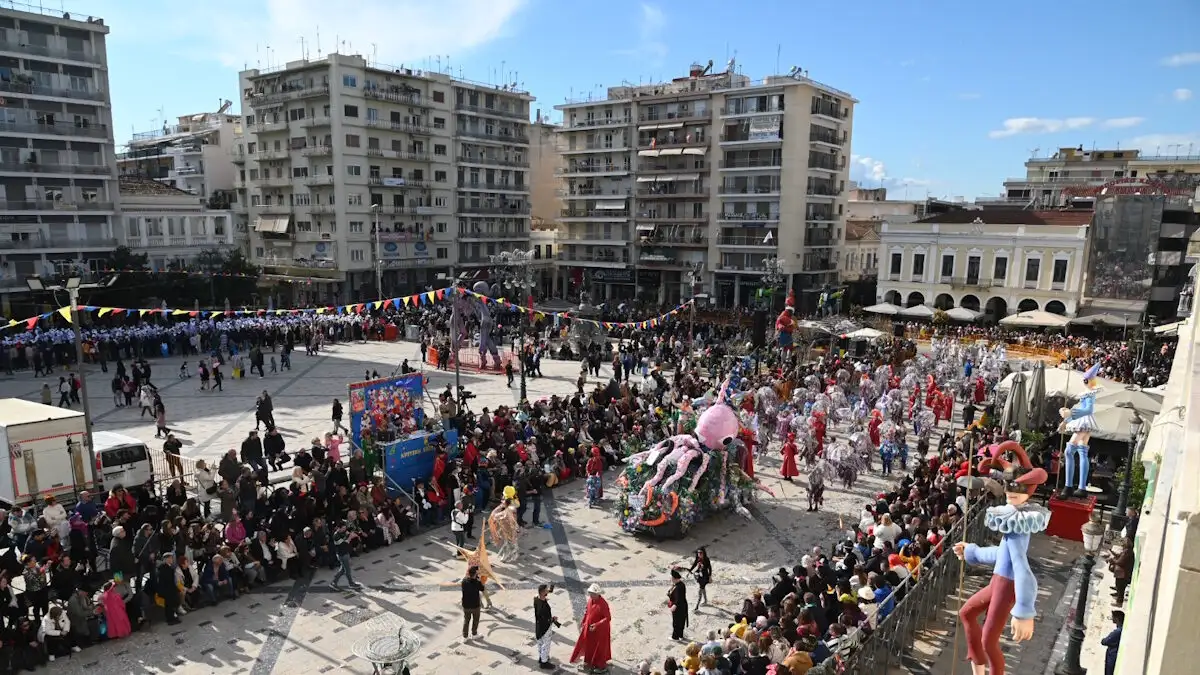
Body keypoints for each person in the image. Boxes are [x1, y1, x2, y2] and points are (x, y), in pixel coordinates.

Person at [570, 583, 612, 674]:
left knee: (599, 648)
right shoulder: (590, 600)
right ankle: (589, 661)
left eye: (593, 593)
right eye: (590, 593)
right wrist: (584, 621)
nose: (591, 595)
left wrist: (597, 625)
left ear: (598, 594)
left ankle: (601, 667)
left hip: (600, 631)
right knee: (589, 646)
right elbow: (587, 612)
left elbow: (608, 618)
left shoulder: (603, 604)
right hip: (589, 629)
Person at [533, 583, 560, 670]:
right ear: (543, 592)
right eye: (546, 590)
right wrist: (553, 619)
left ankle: (541, 658)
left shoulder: (536, 599)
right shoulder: (542, 607)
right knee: (546, 644)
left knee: (540, 643)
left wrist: (551, 589)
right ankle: (544, 663)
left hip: (538, 626)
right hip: (545, 627)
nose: (548, 591)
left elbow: (542, 593)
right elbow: (545, 619)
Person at [461, 564, 485, 640]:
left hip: (466, 606)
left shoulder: (464, 581)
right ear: (475, 574)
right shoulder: (477, 583)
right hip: (475, 606)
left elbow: (468, 577)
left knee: (466, 621)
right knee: (475, 620)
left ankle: (465, 636)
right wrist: (479, 579)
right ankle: (474, 634)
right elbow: (482, 588)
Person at [668, 568, 688, 641]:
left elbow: (679, 598)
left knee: (676, 622)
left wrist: (674, 605)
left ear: (675, 578)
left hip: (678, 607)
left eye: (672, 578)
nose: (671, 579)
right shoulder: (678, 584)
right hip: (681, 606)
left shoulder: (679, 587)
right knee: (681, 621)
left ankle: (675, 637)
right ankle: (680, 635)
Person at [1101, 610, 1123, 675]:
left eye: (1113, 617)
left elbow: (1104, 641)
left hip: (1112, 656)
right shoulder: (1120, 630)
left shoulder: (1117, 632)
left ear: (1117, 619)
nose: (1112, 618)